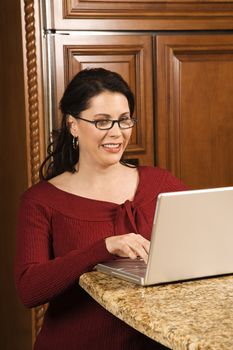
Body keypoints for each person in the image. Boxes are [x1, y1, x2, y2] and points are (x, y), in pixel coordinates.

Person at [15, 68, 187, 350]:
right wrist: (104, 248)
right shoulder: (40, 201)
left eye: (123, 120)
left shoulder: (162, 183)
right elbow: (29, 289)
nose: (117, 133)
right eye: (102, 122)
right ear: (73, 124)